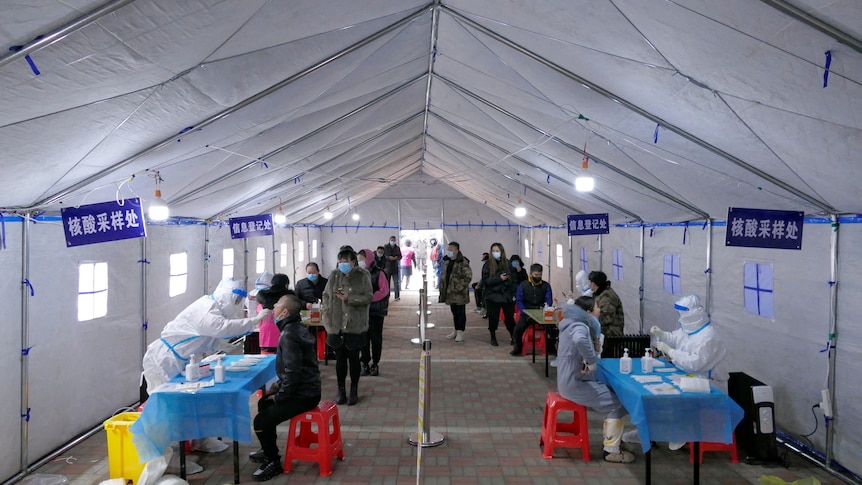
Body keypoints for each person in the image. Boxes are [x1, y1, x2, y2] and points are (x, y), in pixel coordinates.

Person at [141, 277, 272, 465]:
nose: (236, 305)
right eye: (235, 300)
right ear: (226, 296)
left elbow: (208, 333)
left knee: (192, 401)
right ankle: (167, 461)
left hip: (182, 360)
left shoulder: (214, 308)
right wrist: (254, 321)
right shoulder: (206, 308)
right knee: (169, 408)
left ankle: (200, 439)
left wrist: (219, 343)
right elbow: (220, 327)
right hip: (163, 360)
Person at [248, 294, 321, 481]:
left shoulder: (289, 335)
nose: (274, 307)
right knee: (264, 404)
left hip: (304, 394)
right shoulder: (295, 327)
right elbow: (295, 370)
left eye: (278, 304)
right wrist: (278, 387)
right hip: (307, 389)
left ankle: (273, 462)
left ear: (285, 311)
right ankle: (268, 450)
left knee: (260, 422)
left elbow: (293, 372)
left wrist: (280, 395)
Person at [557, 296, 635, 464]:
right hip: (574, 384)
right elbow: (579, 340)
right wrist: (591, 360)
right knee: (616, 403)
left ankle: (616, 440)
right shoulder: (580, 326)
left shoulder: (571, 324)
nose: (600, 309)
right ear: (588, 312)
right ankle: (611, 451)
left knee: (614, 396)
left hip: (572, 380)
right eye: (597, 307)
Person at [321, 246, 373, 405]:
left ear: (353, 262)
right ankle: (341, 390)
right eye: (340, 261)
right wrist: (326, 312)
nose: (342, 264)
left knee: (354, 359)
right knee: (340, 360)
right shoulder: (334, 276)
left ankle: (354, 390)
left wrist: (349, 298)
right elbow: (325, 295)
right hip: (336, 324)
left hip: (354, 325)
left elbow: (368, 297)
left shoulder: (363, 275)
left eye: (346, 261)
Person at [358, 249, 389, 377]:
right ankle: (365, 363)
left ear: (369, 259)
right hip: (361, 312)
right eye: (358, 259)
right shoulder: (357, 273)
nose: (360, 262)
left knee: (376, 340)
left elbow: (384, 291)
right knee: (363, 340)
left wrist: (369, 298)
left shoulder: (379, 273)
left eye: (362, 259)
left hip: (375, 312)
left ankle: (375, 364)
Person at [511, 263, 553, 356]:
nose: (537, 277)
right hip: (526, 313)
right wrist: (524, 311)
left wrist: (545, 306)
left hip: (541, 313)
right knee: (518, 330)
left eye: (540, 275)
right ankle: (517, 348)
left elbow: (549, 300)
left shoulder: (546, 286)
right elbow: (519, 300)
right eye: (535, 275)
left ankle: (551, 348)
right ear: (530, 274)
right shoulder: (523, 285)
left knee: (552, 329)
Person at [481, 242, 517, 346]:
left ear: (501, 251)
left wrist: (513, 293)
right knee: (493, 317)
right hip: (492, 296)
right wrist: (499, 279)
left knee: (509, 318)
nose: (495, 253)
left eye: (497, 251)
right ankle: (493, 336)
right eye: (493, 251)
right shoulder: (487, 265)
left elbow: (514, 280)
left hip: (507, 296)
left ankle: (513, 336)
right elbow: (486, 281)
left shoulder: (508, 263)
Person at [439, 241, 472, 342]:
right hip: (449, 293)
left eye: (451, 250)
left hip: (459, 294)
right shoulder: (447, 261)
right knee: (454, 312)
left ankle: (461, 331)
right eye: (448, 249)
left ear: (457, 251)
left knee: (460, 313)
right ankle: (456, 330)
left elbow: (467, 277)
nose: (448, 251)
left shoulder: (462, 262)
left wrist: (457, 288)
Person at [256, 273, 292, 353]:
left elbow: (258, 317)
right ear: (286, 285)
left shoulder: (262, 297)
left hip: (266, 334)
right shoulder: (290, 297)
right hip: (284, 332)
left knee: (267, 361)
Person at [589, 271, 625, 337]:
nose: (589, 285)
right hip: (605, 331)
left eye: (590, 283)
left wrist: (589, 316)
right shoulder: (600, 294)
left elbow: (606, 318)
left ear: (593, 284)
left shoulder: (607, 297)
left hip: (611, 334)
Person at [383, 235, 402, 300]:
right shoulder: (385, 247)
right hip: (387, 268)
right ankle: (386, 296)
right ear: (389, 240)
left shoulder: (397, 248)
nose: (392, 241)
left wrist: (396, 258)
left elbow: (400, 256)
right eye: (391, 240)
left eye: (393, 240)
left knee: (396, 283)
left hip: (395, 267)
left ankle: (397, 296)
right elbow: (383, 256)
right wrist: (388, 258)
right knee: (387, 283)